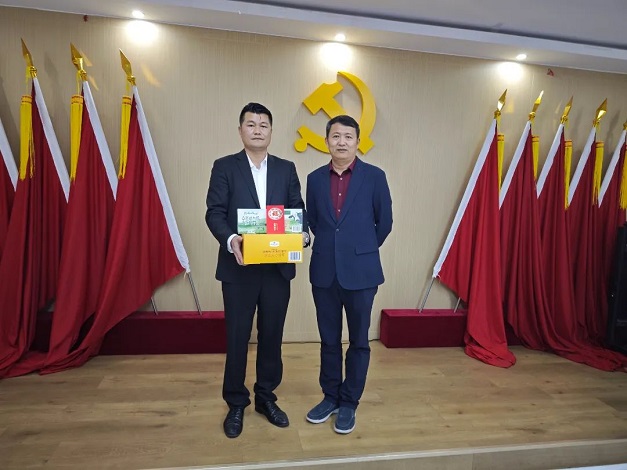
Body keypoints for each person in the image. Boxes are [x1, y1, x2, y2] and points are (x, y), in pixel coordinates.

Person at [205, 102, 309, 438]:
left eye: (264, 125)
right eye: (251, 124)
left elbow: (297, 210)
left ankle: (266, 397)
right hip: (239, 268)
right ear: (240, 131)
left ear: (271, 132)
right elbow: (214, 212)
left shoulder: (286, 168)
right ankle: (236, 402)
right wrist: (231, 239)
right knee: (237, 337)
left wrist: (303, 234)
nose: (258, 130)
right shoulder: (225, 166)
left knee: (272, 335)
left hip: (277, 268)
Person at [305, 114, 392, 434]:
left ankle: (349, 402)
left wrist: (359, 249)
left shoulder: (375, 176)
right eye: (336, 136)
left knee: (358, 341)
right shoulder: (314, 179)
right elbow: (314, 221)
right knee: (328, 340)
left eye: (348, 137)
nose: (341, 142)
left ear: (357, 142)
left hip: (361, 273)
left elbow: (384, 223)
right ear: (326, 141)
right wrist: (336, 248)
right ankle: (330, 396)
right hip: (324, 272)